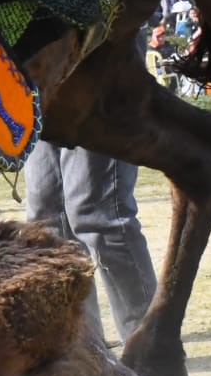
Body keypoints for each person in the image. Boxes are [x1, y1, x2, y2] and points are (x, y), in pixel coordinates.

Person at [24, 140, 162, 355]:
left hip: (98, 107)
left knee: (98, 213)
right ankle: (84, 349)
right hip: (38, 109)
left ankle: (150, 353)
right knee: (47, 215)